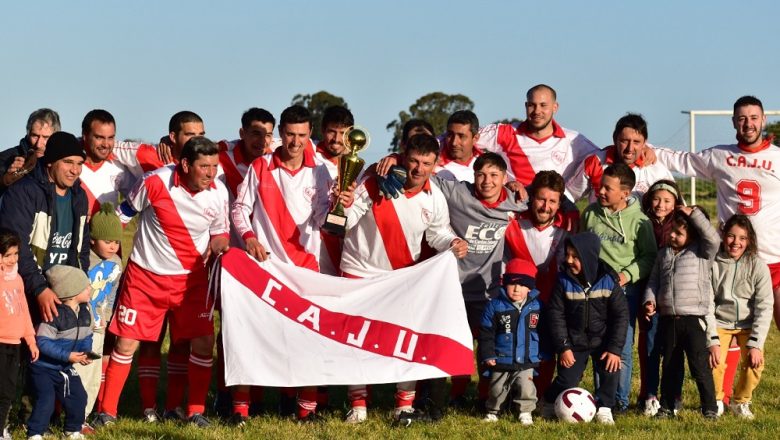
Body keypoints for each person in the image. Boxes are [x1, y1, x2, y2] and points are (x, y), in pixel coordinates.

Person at [94, 137, 230, 429]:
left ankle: (194, 411)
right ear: (184, 164)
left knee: (204, 343)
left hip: (192, 282)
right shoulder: (155, 182)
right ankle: (107, 412)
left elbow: (220, 232)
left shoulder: (219, 192)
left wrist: (221, 246)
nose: (210, 173)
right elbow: (123, 215)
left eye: (214, 166)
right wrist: (106, 254)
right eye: (204, 166)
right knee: (126, 343)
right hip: (144, 278)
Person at [340, 133, 468, 426]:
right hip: (359, 270)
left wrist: (454, 242)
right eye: (413, 161)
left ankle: (403, 406)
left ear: (435, 164)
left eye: (426, 163)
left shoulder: (434, 196)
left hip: (401, 277)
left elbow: (438, 233)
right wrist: (343, 203)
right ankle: (358, 406)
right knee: (357, 340)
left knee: (403, 338)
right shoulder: (376, 181)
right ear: (402, 157)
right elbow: (346, 219)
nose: (418, 169)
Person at [230, 105, 334, 423]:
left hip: (307, 270)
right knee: (253, 337)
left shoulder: (322, 172)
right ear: (281, 134)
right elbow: (238, 208)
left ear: (309, 135)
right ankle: (240, 411)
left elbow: (322, 220)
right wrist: (248, 237)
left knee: (308, 339)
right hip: (267, 268)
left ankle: (306, 410)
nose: (295, 142)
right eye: (290, 134)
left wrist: (337, 207)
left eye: (302, 135)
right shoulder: (260, 166)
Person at [653, 96, 780, 330]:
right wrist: (647, 150)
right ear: (733, 122)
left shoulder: (777, 157)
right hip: (731, 259)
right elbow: (683, 161)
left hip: (773, 259)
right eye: (742, 118)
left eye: (753, 118)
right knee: (727, 327)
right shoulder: (721, 156)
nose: (748, 124)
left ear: (764, 120)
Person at [581, 163, 656, 411]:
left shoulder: (640, 222)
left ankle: (619, 402)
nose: (600, 191)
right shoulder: (590, 214)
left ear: (625, 193)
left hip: (625, 291)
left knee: (620, 346)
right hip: (594, 290)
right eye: (600, 186)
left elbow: (649, 257)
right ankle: (603, 399)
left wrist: (626, 275)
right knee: (598, 345)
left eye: (607, 188)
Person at [0, 132, 90, 324]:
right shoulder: (23, 192)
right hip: (25, 292)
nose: (75, 170)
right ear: (50, 162)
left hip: (65, 293)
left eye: (79, 163)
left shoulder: (79, 197)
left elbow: (81, 249)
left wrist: (79, 284)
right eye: (68, 162)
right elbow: (17, 246)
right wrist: (39, 288)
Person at [541, 232, 628, 425]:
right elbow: (556, 315)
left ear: (589, 257)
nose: (569, 260)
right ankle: (548, 401)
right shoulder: (563, 281)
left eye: (575, 256)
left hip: (602, 340)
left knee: (610, 369)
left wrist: (614, 349)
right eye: (568, 255)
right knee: (567, 380)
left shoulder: (608, 281)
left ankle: (605, 408)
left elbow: (621, 316)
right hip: (574, 342)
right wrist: (563, 347)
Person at [643, 206, 720, 419]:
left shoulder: (703, 253)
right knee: (669, 366)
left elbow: (713, 239)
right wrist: (649, 300)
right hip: (668, 320)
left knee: (699, 368)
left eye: (679, 233)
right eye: (671, 231)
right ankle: (666, 407)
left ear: (693, 234)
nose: (672, 236)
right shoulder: (663, 254)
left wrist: (693, 213)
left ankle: (710, 408)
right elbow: (653, 281)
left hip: (694, 321)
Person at [503, 170, 568, 398]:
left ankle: (540, 397)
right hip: (516, 303)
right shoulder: (513, 222)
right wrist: (511, 183)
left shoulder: (567, 227)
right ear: (532, 197)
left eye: (552, 201)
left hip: (551, 304)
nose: (545, 206)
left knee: (546, 351)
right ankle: (502, 395)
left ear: (560, 203)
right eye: (541, 199)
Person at [711, 214, 773, 419]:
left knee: (756, 362)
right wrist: (712, 340)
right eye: (731, 236)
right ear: (724, 236)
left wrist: (755, 343)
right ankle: (717, 400)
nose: (735, 242)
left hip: (748, 323)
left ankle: (741, 402)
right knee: (715, 361)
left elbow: (765, 305)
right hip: (720, 321)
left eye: (742, 238)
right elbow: (707, 303)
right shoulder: (713, 262)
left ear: (749, 241)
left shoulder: (758, 266)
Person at [475, 84, 600, 186]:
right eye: (532, 105)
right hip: (514, 212)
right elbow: (465, 136)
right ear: (526, 106)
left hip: (552, 211)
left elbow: (603, 160)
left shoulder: (573, 140)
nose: (537, 111)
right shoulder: (506, 132)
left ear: (555, 107)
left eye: (543, 105)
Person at [27, 265, 93, 440]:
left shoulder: (85, 313)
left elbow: (87, 335)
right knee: (46, 400)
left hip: (64, 367)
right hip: (43, 368)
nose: (90, 289)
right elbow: (42, 342)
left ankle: (72, 429)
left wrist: (86, 352)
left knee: (79, 396)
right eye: (85, 286)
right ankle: (35, 433)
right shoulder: (54, 314)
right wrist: (67, 356)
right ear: (71, 292)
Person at [637, 179, 685, 416]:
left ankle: (674, 394)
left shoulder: (682, 226)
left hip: (676, 296)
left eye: (667, 200)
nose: (661, 205)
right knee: (651, 346)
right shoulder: (642, 221)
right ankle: (650, 394)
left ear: (676, 203)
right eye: (657, 199)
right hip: (649, 292)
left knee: (675, 348)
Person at [73, 203, 123, 420]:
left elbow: (111, 293)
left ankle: (83, 415)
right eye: (108, 241)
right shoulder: (83, 260)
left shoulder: (117, 262)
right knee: (78, 371)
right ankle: (72, 415)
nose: (113, 246)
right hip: (80, 325)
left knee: (94, 373)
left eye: (117, 242)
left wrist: (108, 316)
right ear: (92, 239)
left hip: (99, 325)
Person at [479, 258, 542, 425]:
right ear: (504, 284)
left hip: (527, 358)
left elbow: (543, 331)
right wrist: (488, 354)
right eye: (512, 284)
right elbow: (486, 333)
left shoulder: (536, 307)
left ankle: (525, 411)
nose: (516, 289)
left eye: (522, 285)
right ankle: (493, 410)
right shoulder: (495, 306)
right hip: (501, 357)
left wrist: (542, 353)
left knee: (526, 387)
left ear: (529, 288)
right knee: (497, 388)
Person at [567, 113, 674, 202]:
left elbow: (674, 205)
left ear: (644, 143)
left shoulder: (657, 170)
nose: (630, 148)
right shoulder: (595, 161)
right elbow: (570, 195)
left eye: (636, 142)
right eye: (624, 141)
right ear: (614, 139)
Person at [0, 230, 39, 438]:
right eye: (7, 255)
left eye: (16, 254)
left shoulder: (18, 280)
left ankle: (1, 427)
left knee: (8, 390)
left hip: (15, 343)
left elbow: (23, 311)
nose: (13, 259)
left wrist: (30, 340)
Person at [0, 109, 60, 195]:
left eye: (46, 137)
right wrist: (5, 179)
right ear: (28, 134)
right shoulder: (5, 158)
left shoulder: (63, 163)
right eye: (35, 136)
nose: (38, 144)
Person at [436, 110, 482, 182]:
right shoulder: (434, 168)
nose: (454, 142)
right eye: (450, 135)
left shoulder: (487, 164)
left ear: (475, 138)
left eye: (461, 136)